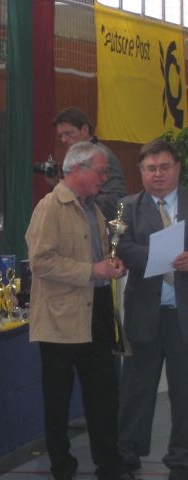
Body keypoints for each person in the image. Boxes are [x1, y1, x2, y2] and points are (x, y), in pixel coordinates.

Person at [25, 141, 133, 480]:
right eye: (100, 171)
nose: (105, 177)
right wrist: (92, 271)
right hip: (60, 319)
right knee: (57, 401)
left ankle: (109, 466)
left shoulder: (93, 208)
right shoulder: (50, 207)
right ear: (77, 170)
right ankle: (62, 468)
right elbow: (40, 262)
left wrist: (112, 265)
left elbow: (97, 257)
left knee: (104, 395)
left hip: (96, 312)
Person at [116, 139, 188, 480]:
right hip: (144, 312)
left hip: (183, 315)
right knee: (136, 389)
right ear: (141, 171)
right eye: (150, 168)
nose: (158, 174)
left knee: (184, 390)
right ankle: (127, 454)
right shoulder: (128, 207)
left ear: (178, 168)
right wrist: (161, 256)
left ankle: (181, 459)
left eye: (164, 167)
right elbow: (121, 247)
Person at [52, 107, 126, 220]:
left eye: (68, 133)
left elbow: (115, 199)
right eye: (60, 136)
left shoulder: (103, 157)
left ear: (84, 130)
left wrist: (82, 203)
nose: (63, 140)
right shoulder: (77, 155)